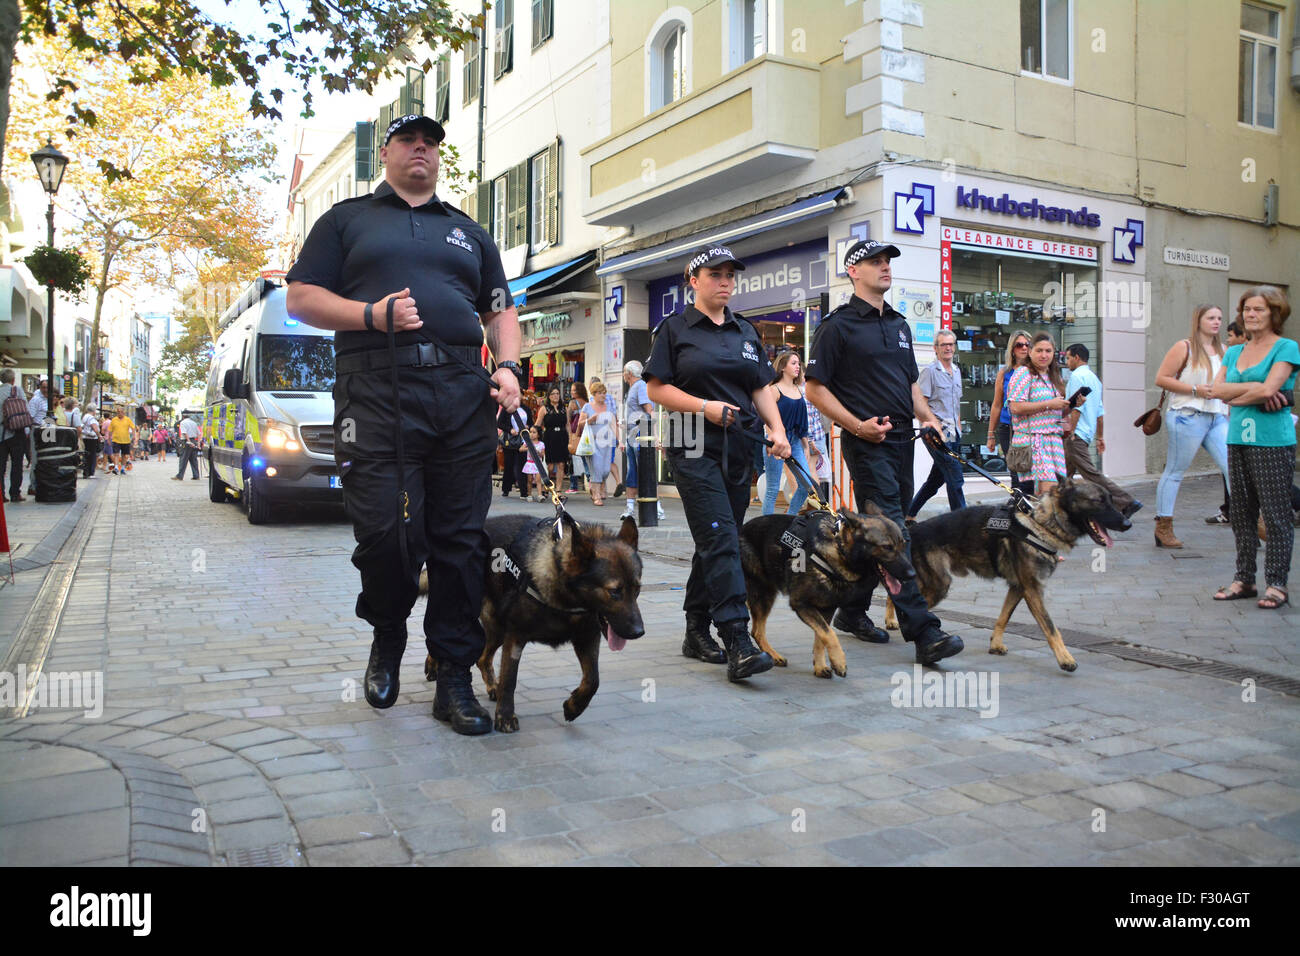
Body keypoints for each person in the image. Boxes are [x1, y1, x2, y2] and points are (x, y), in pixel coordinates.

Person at [286, 112, 521, 736]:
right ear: (385, 153)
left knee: (462, 542)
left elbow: (500, 311)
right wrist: (371, 314)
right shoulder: (347, 220)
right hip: (377, 391)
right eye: (409, 141)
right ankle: (388, 631)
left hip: (462, 394)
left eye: (431, 144)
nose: (422, 150)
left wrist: (510, 368)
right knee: (387, 533)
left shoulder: (469, 232)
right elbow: (301, 297)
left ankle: (453, 675)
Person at [805, 239, 963, 665]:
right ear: (853, 271)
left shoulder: (899, 324)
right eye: (874, 262)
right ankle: (924, 632)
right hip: (866, 443)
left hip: (903, 442)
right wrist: (856, 425)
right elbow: (814, 388)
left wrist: (929, 419)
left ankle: (853, 611)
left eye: (888, 261)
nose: (885, 267)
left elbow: (911, 385)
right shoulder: (837, 326)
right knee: (895, 532)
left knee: (881, 533)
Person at [645, 245, 790, 681]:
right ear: (694, 280)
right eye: (715, 274)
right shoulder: (674, 329)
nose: (725, 281)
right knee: (723, 538)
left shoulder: (745, 331)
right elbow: (656, 390)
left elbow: (761, 387)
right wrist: (704, 406)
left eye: (730, 274)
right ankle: (736, 638)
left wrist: (778, 430)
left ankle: (695, 628)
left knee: (716, 538)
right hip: (691, 442)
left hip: (739, 445)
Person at [1208, 286, 1297, 611]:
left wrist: (1237, 394)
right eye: (1246, 309)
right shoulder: (1234, 352)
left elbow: (1272, 388)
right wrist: (1253, 391)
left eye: (1258, 309)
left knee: (1275, 515)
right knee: (1241, 513)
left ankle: (1276, 583)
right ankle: (1244, 578)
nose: (1250, 314)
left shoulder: (1286, 348)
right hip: (1238, 439)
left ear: (1275, 313)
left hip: (1272, 441)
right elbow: (1217, 390)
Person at [1149, 306, 1229, 547]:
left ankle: (1251, 519)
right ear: (1199, 320)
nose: (1216, 322)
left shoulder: (1224, 350)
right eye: (1211, 318)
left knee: (1233, 467)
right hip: (1187, 415)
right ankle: (1164, 526)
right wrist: (1195, 390)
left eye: (1219, 319)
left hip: (1217, 416)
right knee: (1175, 471)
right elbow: (1161, 379)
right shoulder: (1184, 347)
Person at [1061, 343, 1141, 517]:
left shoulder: (1076, 377)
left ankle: (1127, 502)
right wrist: (1099, 437)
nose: (1067, 362)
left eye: (1068, 358)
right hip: (1085, 434)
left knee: (1091, 475)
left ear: (1076, 357)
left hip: (1076, 435)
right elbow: (1100, 413)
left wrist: (1071, 432)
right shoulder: (1094, 379)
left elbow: (1076, 408)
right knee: (1063, 474)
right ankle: (1059, 507)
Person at [907, 328, 965, 521]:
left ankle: (910, 513)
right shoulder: (930, 372)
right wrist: (930, 427)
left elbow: (956, 405)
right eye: (943, 345)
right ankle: (962, 520)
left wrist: (959, 427)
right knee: (955, 475)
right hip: (935, 433)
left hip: (953, 433)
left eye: (951, 344)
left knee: (936, 480)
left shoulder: (956, 371)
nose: (948, 348)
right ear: (936, 349)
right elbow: (920, 404)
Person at [1008, 332, 1069, 495]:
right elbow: (1015, 407)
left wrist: (1072, 405)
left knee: (1053, 494)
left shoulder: (1054, 375)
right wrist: (1049, 404)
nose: (1044, 355)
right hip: (1033, 441)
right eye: (1039, 350)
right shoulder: (1023, 373)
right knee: (1048, 492)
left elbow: (1057, 412)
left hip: (1053, 440)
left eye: (1048, 351)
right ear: (1030, 352)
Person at [761, 350, 816, 516]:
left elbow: (803, 422)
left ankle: (789, 519)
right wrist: (773, 440)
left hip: (795, 441)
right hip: (775, 441)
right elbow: (767, 419)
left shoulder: (800, 390)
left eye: (798, 363)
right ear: (783, 367)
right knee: (772, 488)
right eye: (793, 363)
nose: (798, 367)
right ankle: (768, 527)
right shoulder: (773, 390)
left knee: (806, 484)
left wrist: (806, 446)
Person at [985, 332, 1034, 495]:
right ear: (1012, 349)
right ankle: (1018, 509)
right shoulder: (1005, 373)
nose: (1024, 348)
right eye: (1020, 345)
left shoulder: (1035, 372)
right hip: (1009, 428)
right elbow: (997, 405)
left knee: (1031, 473)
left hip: (1030, 428)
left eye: (1027, 344)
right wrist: (990, 434)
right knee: (1016, 472)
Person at [621, 360, 664, 520]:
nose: (623, 375)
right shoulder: (633, 388)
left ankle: (657, 508)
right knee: (632, 472)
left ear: (629, 374)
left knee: (645, 472)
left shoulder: (639, 386)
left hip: (642, 433)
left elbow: (650, 411)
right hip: (632, 434)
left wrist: (656, 436)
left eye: (624, 372)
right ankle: (630, 508)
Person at [578, 381, 616, 505]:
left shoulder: (609, 407)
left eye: (604, 393)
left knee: (605, 470)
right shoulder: (587, 407)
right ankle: (597, 496)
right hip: (593, 443)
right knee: (596, 469)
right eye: (600, 393)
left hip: (607, 442)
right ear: (594, 394)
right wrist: (590, 420)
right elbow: (580, 424)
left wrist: (618, 439)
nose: (603, 395)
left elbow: (613, 423)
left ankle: (596, 490)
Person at [1, 369, 28, 502]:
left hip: (1, 433)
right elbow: (25, 410)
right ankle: (15, 493)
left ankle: (1, 494)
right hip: (17, 431)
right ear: (13, 380)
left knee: (1, 465)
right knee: (17, 464)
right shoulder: (17, 391)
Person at [536, 386, 568, 498]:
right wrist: (533, 437)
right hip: (549, 437)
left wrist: (571, 439)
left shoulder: (564, 408)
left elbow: (567, 425)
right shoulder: (544, 409)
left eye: (558, 393)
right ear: (549, 396)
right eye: (553, 394)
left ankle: (558, 490)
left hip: (562, 437)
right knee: (549, 465)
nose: (556, 396)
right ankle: (547, 486)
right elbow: (538, 424)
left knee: (561, 464)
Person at [496, 406, 527, 499]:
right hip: (509, 441)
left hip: (523, 441)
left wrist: (528, 426)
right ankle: (506, 489)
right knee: (508, 465)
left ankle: (523, 491)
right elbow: (499, 423)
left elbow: (531, 422)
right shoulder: (506, 410)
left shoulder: (526, 409)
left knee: (521, 466)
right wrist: (510, 429)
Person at [108, 406, 136, 476]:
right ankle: (116, 467)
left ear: (124, 412)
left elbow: (133, 427)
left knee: (124, 455)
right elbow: (110, 430)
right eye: (118, 412)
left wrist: (133, 435)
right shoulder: (114, 420)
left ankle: (123, 468)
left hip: (126, 440)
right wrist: (108, 439)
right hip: (116, 440)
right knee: (116, 454)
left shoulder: (128, 419)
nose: (119, 413)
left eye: (121, 412)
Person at [170, 414, 201, 479]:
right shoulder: (194, 423)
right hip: (194, 441)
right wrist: (198, 444)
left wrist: (189, 441)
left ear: (183, 417)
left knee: (183, 459)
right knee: (194, 460)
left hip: (186, 442)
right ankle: (196, 475)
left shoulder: (183, 423)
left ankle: (180, 476)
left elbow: (184, 433)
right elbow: (199, 434)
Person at [522, 425, 545, 501]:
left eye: (534, 432)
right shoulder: (527, 442)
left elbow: (542, 454)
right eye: (530, 432)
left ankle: (540, 495)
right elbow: (520, 449)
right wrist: (528, 448)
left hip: (538, 464)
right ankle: (529, 495)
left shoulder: (541, 444)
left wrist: (538, 452)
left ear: (538, 434)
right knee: (529, 480)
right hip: (530, 463)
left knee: (538, 480)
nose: (531, 434)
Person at [80, 404, 100, 478]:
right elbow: (95, 429)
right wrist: (99, 436)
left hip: (85, 437)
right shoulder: (91, 418)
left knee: (87, 454)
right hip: (92, 438)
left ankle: (86, 471)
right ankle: (91, 472)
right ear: (93, 410)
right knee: (92, 455)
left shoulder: (85, 416)